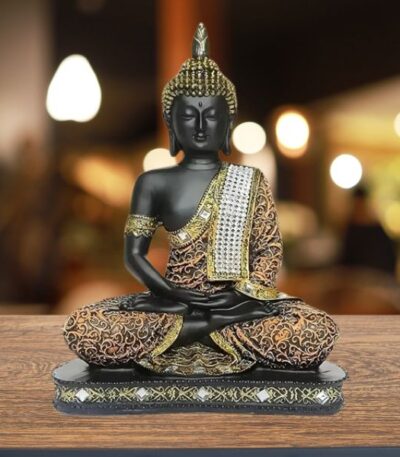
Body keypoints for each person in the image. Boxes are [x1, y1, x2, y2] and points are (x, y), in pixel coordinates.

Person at [64, 24, 339, 376]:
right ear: (171, 123)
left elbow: (269, 251)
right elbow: (134, 255)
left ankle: (194, 331)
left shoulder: (249, 180)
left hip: (238, 305)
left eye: (210, 116)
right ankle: (206, 329)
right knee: (85, 327)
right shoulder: (153, 182)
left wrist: (240, 296)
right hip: (173, 303)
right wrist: (173, 294)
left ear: (227, 123)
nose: (199, 126)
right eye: (188, 116)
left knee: (316, 331)